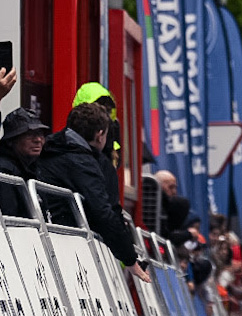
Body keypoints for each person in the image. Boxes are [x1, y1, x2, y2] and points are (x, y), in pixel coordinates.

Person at [37, 103, 150, 283]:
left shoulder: (49, 147)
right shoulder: (83, 162)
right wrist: (129, 258)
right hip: (67, 247)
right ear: (99, 135)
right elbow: (103, 212)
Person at [0, 108, 50, 216]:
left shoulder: (33, 168)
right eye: (29, 135)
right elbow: (10, 219)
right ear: (11, 141)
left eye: (40, 134)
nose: (38, 140)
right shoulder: (4, 171)